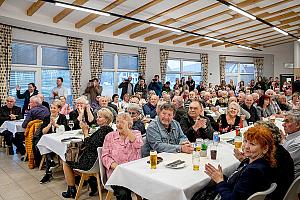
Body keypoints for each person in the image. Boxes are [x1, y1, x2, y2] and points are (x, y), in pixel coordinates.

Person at [192, 125, 276, 200]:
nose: (246, 146)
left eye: (252, 144)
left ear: (265, 149)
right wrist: (221, 177)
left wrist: (220, 181)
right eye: (245, 141)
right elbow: (238, 184)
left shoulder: (253, 171)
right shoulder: (262, 163)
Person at [62, 108, 114, 198]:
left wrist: (85, 132)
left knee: (65, 161)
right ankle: (91, 182)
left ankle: (71, 189)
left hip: (91, 162)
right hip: (98, 161)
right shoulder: (108, 130)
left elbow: (90, 146)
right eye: (97, 116)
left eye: (100, 117)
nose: (97, 119)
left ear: (107, 119)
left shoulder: (104, 130)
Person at [102, 113, 143, 200]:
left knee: (149, 189)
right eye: (117, 122)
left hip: (135, 173)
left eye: (122, 122)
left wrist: (127, 131)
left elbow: (138, 145)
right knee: (123, 193)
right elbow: (105, 157)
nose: (119, 125)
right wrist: (118, 167)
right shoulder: (110, 136)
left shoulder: (136, 133)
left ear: (129, 124)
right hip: (117, 174)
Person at [252, 121, 294, 200]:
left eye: (255, 135)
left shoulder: (269, 157)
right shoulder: (280, 150)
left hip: (273, 195)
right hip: (283, 191)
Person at [39, 100, 69, 184]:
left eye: (54, 108)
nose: (52, 109)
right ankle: (49, 167)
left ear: (59, 109)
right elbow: (44, 132)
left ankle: (48, 172)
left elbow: (65, 130)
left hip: (59, 139)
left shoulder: (62, 117)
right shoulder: (46, 117)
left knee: (49, 148)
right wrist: (50, 124)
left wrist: (55, 125)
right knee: (47, 146)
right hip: (50, 139)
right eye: (51, 108)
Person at [282, 109, 300, 177]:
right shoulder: (292, 137)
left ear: (298, 125)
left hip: (284, 180)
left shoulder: (296, 144)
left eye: (287, 122)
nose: (283, 124)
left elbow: (279, 165)